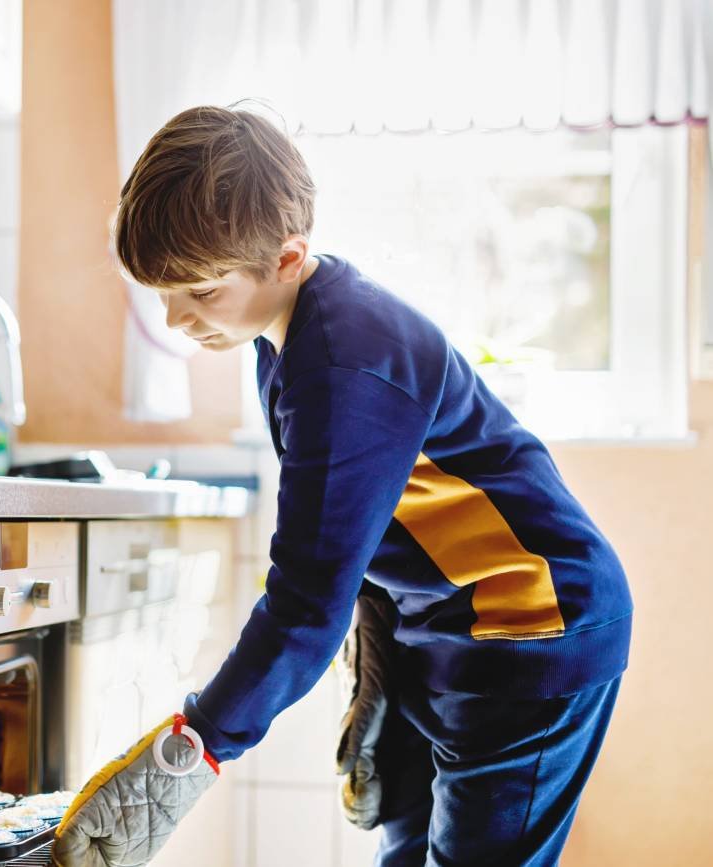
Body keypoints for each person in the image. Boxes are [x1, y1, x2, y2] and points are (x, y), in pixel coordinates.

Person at [53, 105, 632, 867]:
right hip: (451, 625)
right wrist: (381, 668)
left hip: (535, 630)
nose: (175, 319)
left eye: (199, 292)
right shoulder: (286, 333)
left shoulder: (342, 362)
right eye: (162, 293)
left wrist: (184, 757)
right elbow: (366, 537)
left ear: (288, 257)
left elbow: (303, 605)